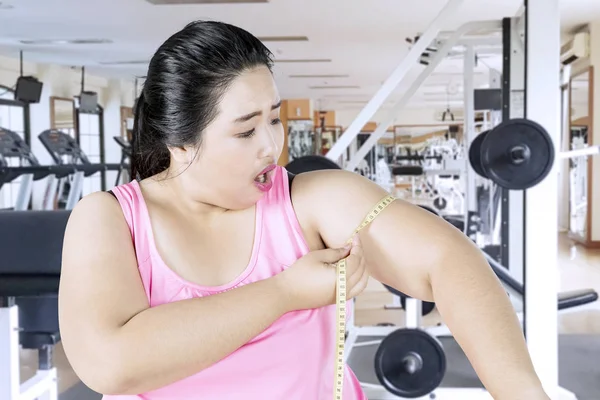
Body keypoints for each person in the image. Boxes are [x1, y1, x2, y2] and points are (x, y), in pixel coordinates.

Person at [58, 20, 550, 400]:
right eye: (246, 130)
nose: (272, 145)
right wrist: (283, 293)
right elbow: (109, 361)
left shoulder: (309, 200)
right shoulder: (109, 219)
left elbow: (449, 260)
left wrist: (522, 392)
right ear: (180, 144)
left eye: (274, 118)